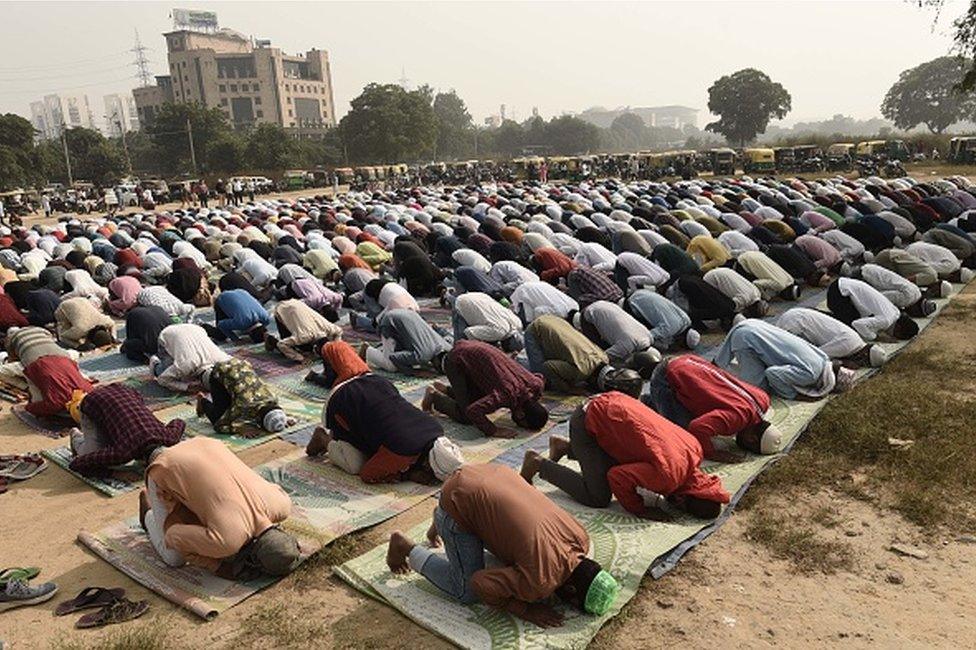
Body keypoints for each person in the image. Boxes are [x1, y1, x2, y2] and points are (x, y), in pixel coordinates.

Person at [385, 463, 619, 627]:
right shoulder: (540, 583)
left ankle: (445, 514)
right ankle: (405, 546)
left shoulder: (581, 538)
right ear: (570, 591)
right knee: (465, 591)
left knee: (504, 540)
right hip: (462, 497)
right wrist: (525, 610)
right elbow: (480, 584)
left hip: (489, 473)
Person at [519, 391, 730, 519]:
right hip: (588, 419)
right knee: (598, 496)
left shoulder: (695, 451)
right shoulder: (667, 477)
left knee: (627, 460)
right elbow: (617, 477)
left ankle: (566, 448)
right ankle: (538, 463)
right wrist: (639, 509)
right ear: (682, 500)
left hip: (613, 404)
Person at [139, 437, 299, 577]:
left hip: (203, 444)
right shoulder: (228, 542)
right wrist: (217, 566)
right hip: (165, 467)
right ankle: (148, 515)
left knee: (209, 516)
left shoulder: (283, 505)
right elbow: (173, 536)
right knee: (173, 558)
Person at [305, 369, 463, 484]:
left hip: (373, 381)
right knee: (356, 465)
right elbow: (368, 475)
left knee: (376, 440)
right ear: (428, 466)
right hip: (340, 400)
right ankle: (324, 439)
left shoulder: (436, 429)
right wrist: (406, 475)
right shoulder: (403, 452)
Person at [643, 354, 780, 461]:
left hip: (689, 361)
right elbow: (697, 428)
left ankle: (657, 402)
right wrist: (712, 453)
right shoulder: (737, 418)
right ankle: (649, 402)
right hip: (667, 377)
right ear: (751, 439)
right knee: (683, 437)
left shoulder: (763, 400)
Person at [422, 339, 548, 438]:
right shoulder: (507, 395)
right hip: (458, 360)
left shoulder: (535, 385)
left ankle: (447, 390)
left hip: (474, 349)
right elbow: (473, 411)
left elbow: (540, 377)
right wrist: (493, 430)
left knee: (478, 399)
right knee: (465, 415)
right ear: (521, 414)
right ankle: (434, 396)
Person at [714, 319, 854, 400]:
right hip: (747, 339)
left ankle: (715, 368)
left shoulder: (823, 359)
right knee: (757, 392)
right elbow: (772, 373)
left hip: (752, 325)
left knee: (721, 365)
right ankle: (716, 380)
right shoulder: (812, 375)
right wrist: (792, 395)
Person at [67, 384, 185, 476]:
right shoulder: (123, 452)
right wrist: (116, 474)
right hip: (91, 403)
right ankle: (76, 437)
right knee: (92, 453)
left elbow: (179, 422)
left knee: (114, 433)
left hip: (124, 390)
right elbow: (76, 464)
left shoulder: (169, 436)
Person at [523, 314, 642, 396]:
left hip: (554, 321)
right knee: (540, 380)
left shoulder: (604, 357)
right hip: (536, 329)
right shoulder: (580, 371)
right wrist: (569, 389)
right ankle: (517, 363)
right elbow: (548, 366)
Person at [196, 358, 293, 436]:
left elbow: (274, 411)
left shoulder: (273, 399)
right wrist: (239, 429)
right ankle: (202, 401)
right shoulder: (245, 406)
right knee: (217, 417)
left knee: (234, 397)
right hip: (220, 372)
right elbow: (220, 426)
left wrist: (283, 419)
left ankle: (230, 396)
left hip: (240, 366)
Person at [777, 307, 887, 368]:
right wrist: (842, 364)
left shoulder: (856, 342)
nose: (860, 366)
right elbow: (817, 356)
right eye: (864, 363)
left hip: (796, 316)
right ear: (864, 355)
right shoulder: (848, 346)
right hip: (793, 323)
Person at [826, 277, 917, 341]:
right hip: (838, 291)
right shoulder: (886, 321)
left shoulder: (896, 312)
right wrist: (876, 337)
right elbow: (857, 324)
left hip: (844, 283)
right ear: (898, 329)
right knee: (849, 330)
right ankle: (821, 316)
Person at [363, 308, 450, 374]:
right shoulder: (423, 356)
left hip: (407, 314)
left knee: (406, 357)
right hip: (390, 321)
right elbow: (393, 357)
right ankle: (367, 350)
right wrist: (414, 372)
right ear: (437, 363)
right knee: (391, 366)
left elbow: (448, 335)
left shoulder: (447, 346)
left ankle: (383, 349)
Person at [151, 323, 231, 392]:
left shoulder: (223, 359)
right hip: (167, 334)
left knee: (184, 371)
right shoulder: (186, 365)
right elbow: (162, 380)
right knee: (166, 372)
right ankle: (155, 364)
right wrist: (186, 387)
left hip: (196, 328)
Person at [574, 300, 655, 366]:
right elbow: (603, 358)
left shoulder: (649, 336)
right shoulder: (626, 346)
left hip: (606, 304)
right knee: (595, 350)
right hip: (590, 314)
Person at [264, 299, 342, 362]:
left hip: (297, 304)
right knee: (288, 347)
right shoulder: (304, 336)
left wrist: (336, 344)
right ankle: (270, 339)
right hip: (283, 309)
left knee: (304, 347)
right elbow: (281, 344)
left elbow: (339, 331)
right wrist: (300, 358)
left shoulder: (329, 328)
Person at [624, 289, 700, 351]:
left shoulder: (686, 319)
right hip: (633, 303)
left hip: (642, 292)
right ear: (682, 339)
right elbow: (647, 336)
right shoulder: (670, 329)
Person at [451, 292, 523, 351]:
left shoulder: (518, 323)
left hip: (479, 296)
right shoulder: (499, 332)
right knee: (461, 346)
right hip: (463, 304)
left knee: (487, 336)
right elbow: (468, 332)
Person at [206, 289, 271, 343]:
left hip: (241, 291)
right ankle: (203, 325)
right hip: (222, 298)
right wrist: (236, 339)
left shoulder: (266, 318)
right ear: (250, 333)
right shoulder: (241, 323)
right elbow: (221, 325)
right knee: (221, 335)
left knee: (236, 320)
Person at [510, 280, 579, 324]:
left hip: (539, 286)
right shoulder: (560, 313)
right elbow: (538, 311)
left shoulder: (575, 305)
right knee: (528, 322)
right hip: (526, 292)